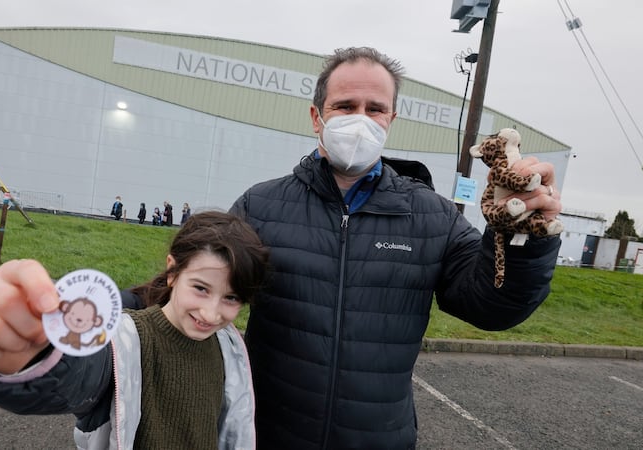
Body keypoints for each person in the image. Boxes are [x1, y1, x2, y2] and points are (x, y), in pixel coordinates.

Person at [229, 47, 562, 449]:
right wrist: (133, 308)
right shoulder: (260, 206)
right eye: (345, 106)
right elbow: (200, 286)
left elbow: (491, 307)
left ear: (391, 119)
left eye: (375, 109)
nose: (360, 119)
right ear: (317, 116)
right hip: (269, 434)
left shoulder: (432, 216)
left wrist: (522, 237)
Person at [0, 211, 270, 449]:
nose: (211, 313)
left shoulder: (230, 348)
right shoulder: (125, 339)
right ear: (173, 272)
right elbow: (76, 376)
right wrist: (31, 352)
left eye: (231, 298)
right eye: (200, 288)